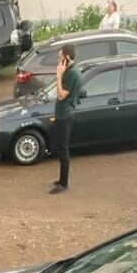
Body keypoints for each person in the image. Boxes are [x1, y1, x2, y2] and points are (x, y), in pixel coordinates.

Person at [49, 44, 81, 195]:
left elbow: (61, 95)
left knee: (63, 149)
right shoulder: (70, 71)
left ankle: (63, 183)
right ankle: (61, 180)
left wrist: (59, 76)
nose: (59, 61)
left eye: (60, 58)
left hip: (66, 116)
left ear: (67, 57)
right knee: (60, 147)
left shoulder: (72, 74)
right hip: (62, 114)